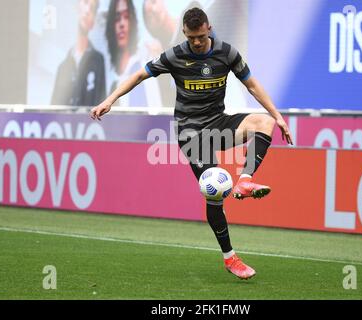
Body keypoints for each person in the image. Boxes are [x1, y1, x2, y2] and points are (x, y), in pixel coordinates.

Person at [90, 8, 293, 280]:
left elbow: (252, 85)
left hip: (217, 123)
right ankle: (230, 258)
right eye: (191, 37)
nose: (196, 42)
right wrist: (109, 100)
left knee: (264, 123)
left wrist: (278, 116)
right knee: (215, 189)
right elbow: (140, 75)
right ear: (184, 32)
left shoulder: (227, 53)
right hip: (190, 134)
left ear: (208, 28)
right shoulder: (175, 55)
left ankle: (244, 180)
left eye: (200, 36)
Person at [51, 0, 106, 107]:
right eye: (85, 3)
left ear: (94, 21)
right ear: (77, 8)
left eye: (93, 8)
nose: (87, 11)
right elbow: (53, 110)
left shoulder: (98, 61)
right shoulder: (62, 67)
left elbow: (101, 103)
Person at [106, 0, 159, 107]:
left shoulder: (146, 57)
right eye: (117, 19)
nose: (121, 24)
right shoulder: (110, 76)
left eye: (126, 16)